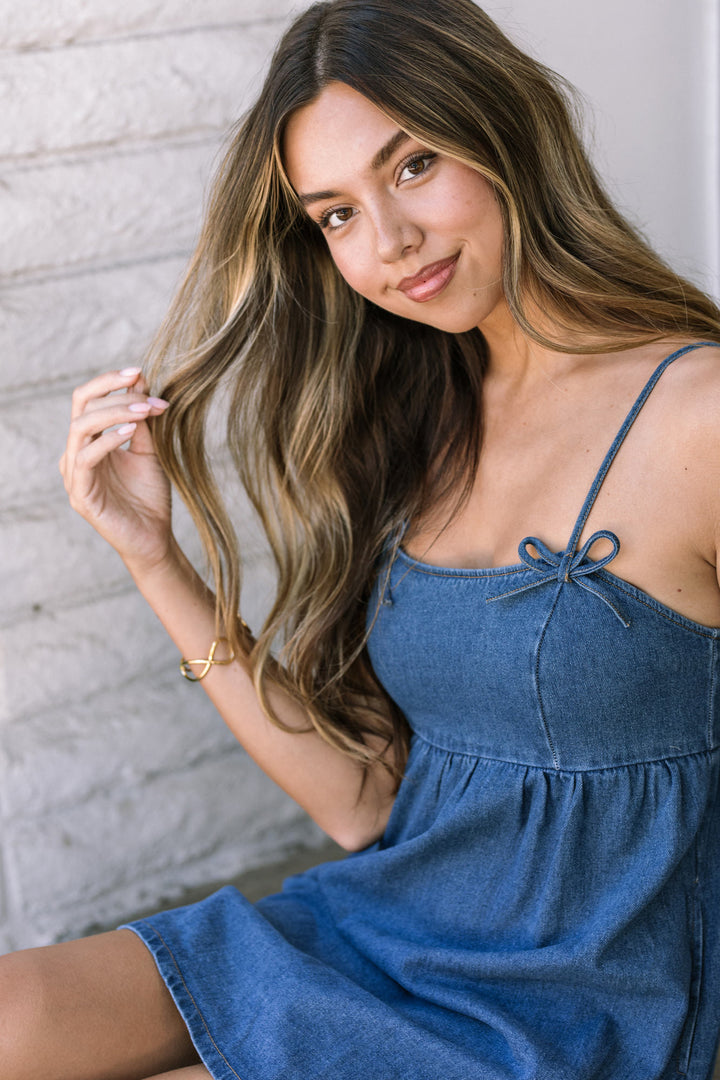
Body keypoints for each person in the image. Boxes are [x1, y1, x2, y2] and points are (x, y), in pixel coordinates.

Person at [3, 0, 720, 1076]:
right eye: (335, 214)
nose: (388, 243)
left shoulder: (698, 418)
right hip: (390, 925)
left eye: (415, 165)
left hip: (575, 1006)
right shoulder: (425, 413)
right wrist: (152, 555)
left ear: (506, 129)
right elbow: (360, 806)